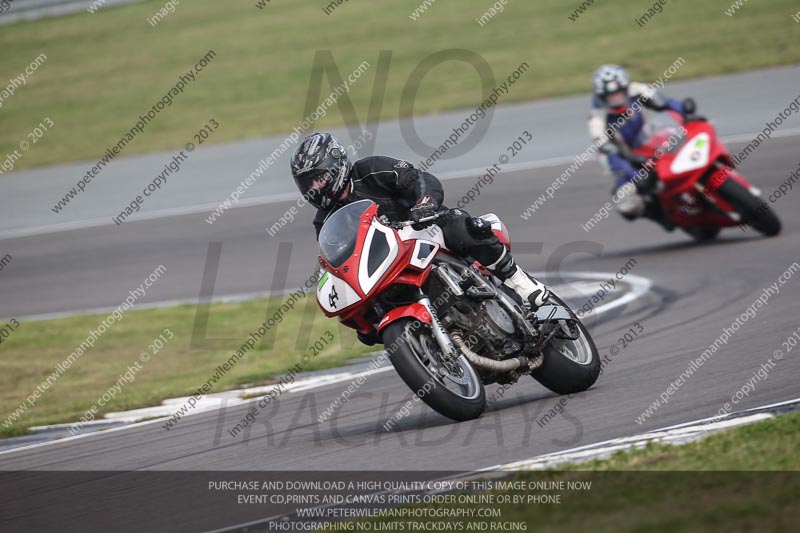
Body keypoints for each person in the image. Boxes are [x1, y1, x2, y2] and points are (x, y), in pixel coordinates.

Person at [290, 132, 549, 343]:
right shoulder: (324, 220)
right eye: (308, 184)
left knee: (461, 226)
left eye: (319, 178)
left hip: (423, 230)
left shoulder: (371, 170)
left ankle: (520, 282)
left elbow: (418, 179)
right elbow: (338, 256)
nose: (315, 187)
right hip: (386, 263)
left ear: (336, 164)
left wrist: (424, 203)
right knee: (370, 321)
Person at [588, 64, 690, 225]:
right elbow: (610, 153)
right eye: (610, 96)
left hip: (649, 142)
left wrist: (688, 113)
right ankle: (657, 215)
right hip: (623, 158)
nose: (615, 98)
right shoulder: (597, 117)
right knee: (627, 204)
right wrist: (635, 176)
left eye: (618, 93)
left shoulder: (637, 90)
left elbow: (666, 103)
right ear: (602, 97)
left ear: (625, 88)